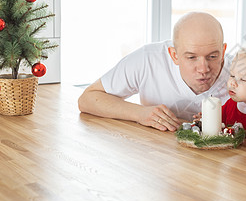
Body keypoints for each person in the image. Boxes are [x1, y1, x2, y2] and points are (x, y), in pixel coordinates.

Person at [78, 12, 230, 131]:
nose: (204, 69)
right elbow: (88, 99)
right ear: (174, 55)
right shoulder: (148, 60)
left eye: (212, 56)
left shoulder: (241, 73)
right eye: (191, 57)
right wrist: (140, 113)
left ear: (223, 51)